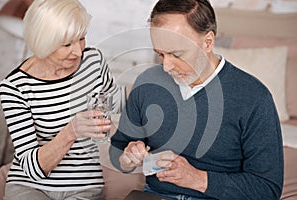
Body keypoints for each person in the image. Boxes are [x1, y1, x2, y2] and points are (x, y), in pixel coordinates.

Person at [109, 0, 284, 199]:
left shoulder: (254, 98)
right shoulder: (147, 84)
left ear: (207, 42)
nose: (166, 66)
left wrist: (198, 179)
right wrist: (127, 157)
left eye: (176, 54)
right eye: (160, 54)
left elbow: (268, 189)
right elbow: (118, 151)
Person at [0, 0, 124, 199]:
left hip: (85, 187)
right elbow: (33, 169)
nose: (78, 51)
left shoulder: (94, 61)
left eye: (81, 38)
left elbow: (114, 105)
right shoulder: (14, 88)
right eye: (67, 44)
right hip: (31, 186)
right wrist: (71, 131)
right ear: (43, 42)